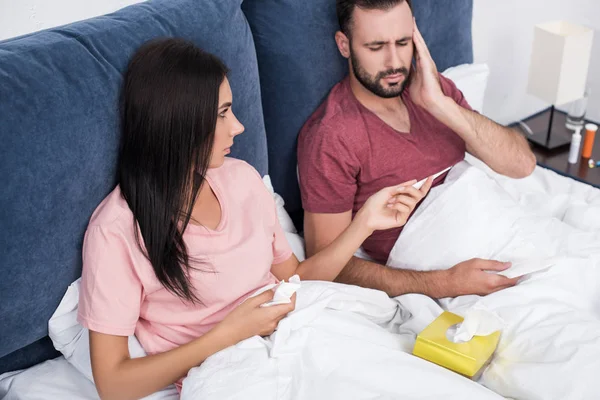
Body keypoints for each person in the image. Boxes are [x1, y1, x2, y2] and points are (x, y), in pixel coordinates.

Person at [77, 38, 430, 400]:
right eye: (222, 113)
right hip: (231, 371)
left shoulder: (242, 179)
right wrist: (228, 334)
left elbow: (295, 277)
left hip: (300, 331)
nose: (238, 127)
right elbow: (113, 384)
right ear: (177, 121)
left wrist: (366, 222)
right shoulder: (117, 230)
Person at [297, 0, 537, 299]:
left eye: (403, 42)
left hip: (514, 238)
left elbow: (522, 165)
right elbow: (327, 264)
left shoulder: (434, 90)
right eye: (376, 47)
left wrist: (441, 105)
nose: (394, 62)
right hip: (452, 277)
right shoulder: (332, 135)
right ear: (344, 45)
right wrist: (445, 284)